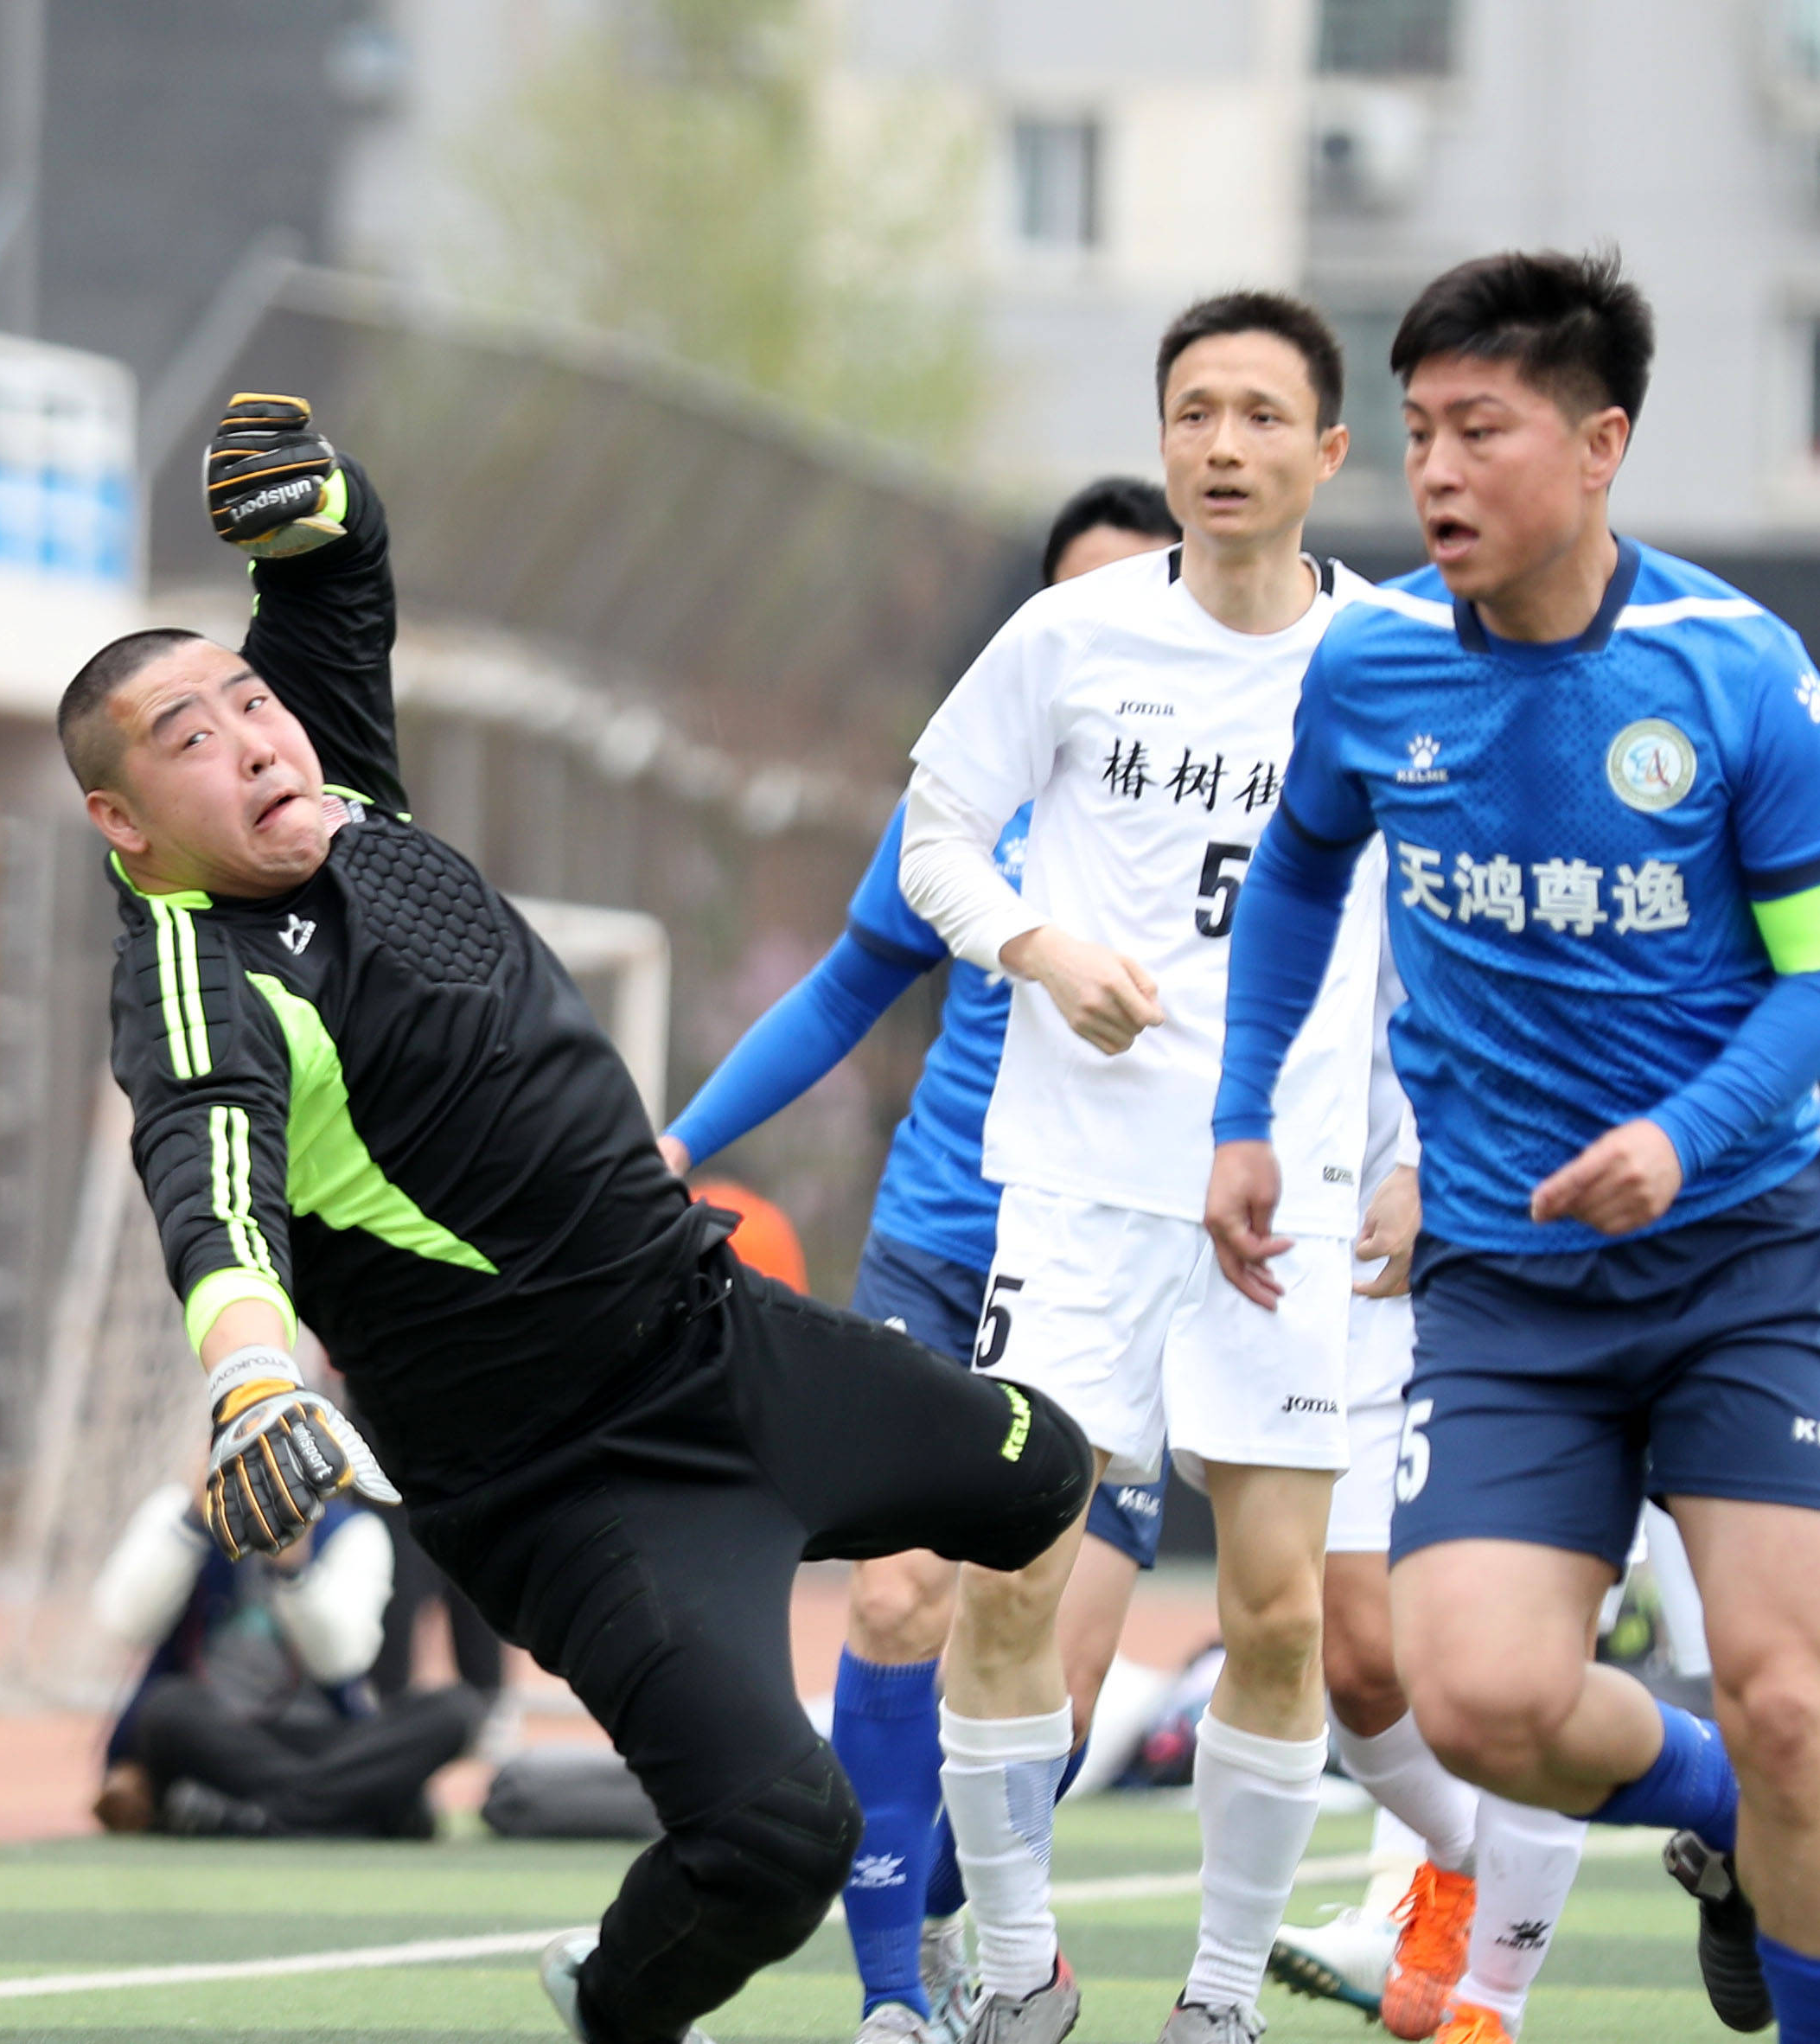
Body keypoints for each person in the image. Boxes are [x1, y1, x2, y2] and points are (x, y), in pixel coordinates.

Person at [69, 393, 1093, 2044]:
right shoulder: (196, 972)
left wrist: (308, 491)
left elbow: (339, 575)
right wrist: (251, 1374)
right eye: (188, 737)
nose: (255, 737)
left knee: (1046, 1469)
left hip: (721, 1339)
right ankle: (617, 2005)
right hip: (569, 1481)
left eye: (247, 701)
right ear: (121, 822)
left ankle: (1004, 1918)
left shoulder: (331, 792)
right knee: (777, 1840)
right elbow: (210, 1187)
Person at [1211, 251, 1820, 2044]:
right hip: (1511, 1291)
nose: (1436, 473)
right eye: (1421, 432)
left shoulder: (1736, 671)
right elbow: (1295, 874)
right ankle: (1730, 1822)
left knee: (1793, 1697)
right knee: (1480, 1703)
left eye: (1482, 432)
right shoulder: (1370, 669)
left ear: (1599, 448)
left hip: (1741, 1265)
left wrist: (1683, 1137)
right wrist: (1242, 1117)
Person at [897, 295, 1380, 2044]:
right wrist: (1037, 945)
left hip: (1293, 1201)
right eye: (1195, 413)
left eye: (1262, 416)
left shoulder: (1393, 662)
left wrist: (1405, 1154)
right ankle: (1017, 1970)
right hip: (1083, 1188)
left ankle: (1225, 1994)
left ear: (1331, 453)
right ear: (1162, 436)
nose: (1224, 446)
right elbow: (933, 831)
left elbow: (1432, 941)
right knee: (1008, 1575)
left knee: (1272, 1612)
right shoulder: (1071, 634)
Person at [659, 476, 1184, 2044]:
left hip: (1122, 1250)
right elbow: (837, 996)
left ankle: (957, 1908)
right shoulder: (971, 794)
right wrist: (675, 1143)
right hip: (945, 1240)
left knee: (1057, 1687)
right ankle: (892, 1994)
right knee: (896, 1597)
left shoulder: (1235, 788)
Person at [86, 1481, 482, 1839]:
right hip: (215, 1738)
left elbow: (342, 1661)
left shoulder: (352, 1530)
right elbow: (126, 1623)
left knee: (456, 1710)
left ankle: (251, 1818)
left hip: (322, 1740)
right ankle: (356, 1813)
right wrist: (192, 1519)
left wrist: (293, 1570)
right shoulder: (174, 1510)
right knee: (165, 1707)